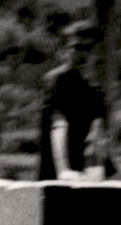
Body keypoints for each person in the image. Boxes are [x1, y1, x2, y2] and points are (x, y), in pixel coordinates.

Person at [39, 21, 108, 181]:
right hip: (57, 174)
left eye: (88, 49)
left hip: (85, 173)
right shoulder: (58, 80)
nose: (82, 54)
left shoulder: (95, 89)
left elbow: (97, 132)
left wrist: (98, 170)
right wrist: (63, 170)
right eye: (77, 48)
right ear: (66, 50)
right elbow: (58, 124)